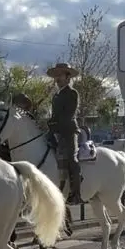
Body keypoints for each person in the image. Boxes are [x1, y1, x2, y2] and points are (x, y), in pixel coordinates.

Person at [46, 62, 83, 205]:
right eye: (56, 76)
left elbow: (68, 115)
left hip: (69, 131)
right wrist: (50, 125)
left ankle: (75, 193)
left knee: (72, 159)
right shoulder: (56, 95)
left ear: (68, 77)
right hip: (55, 130)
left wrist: (56, 125)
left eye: (60, 75)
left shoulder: (72, 93)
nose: (57, 78)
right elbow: (54, 115)